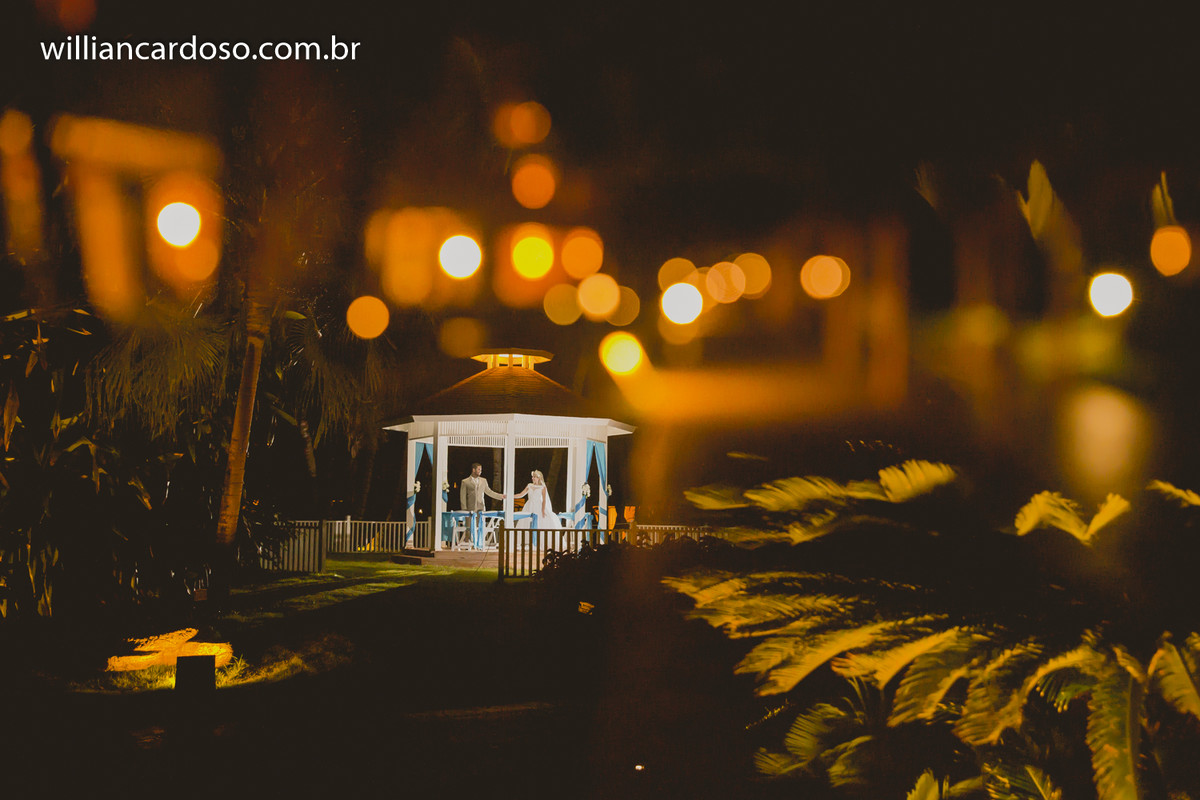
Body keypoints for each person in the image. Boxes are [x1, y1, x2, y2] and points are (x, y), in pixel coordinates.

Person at [458, 462, 505, 548]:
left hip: (481, 508)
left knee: (480, 526)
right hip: (470, 508)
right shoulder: (465, 482)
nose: (480, 471)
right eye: (479, 469)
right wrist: (464, 509)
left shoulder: (483, 481)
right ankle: (468, 544)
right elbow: (462, 496)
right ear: (474, 470)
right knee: (469, 527)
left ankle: (480, 544)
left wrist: (500, 496)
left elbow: (489, 492)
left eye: (481, 470)